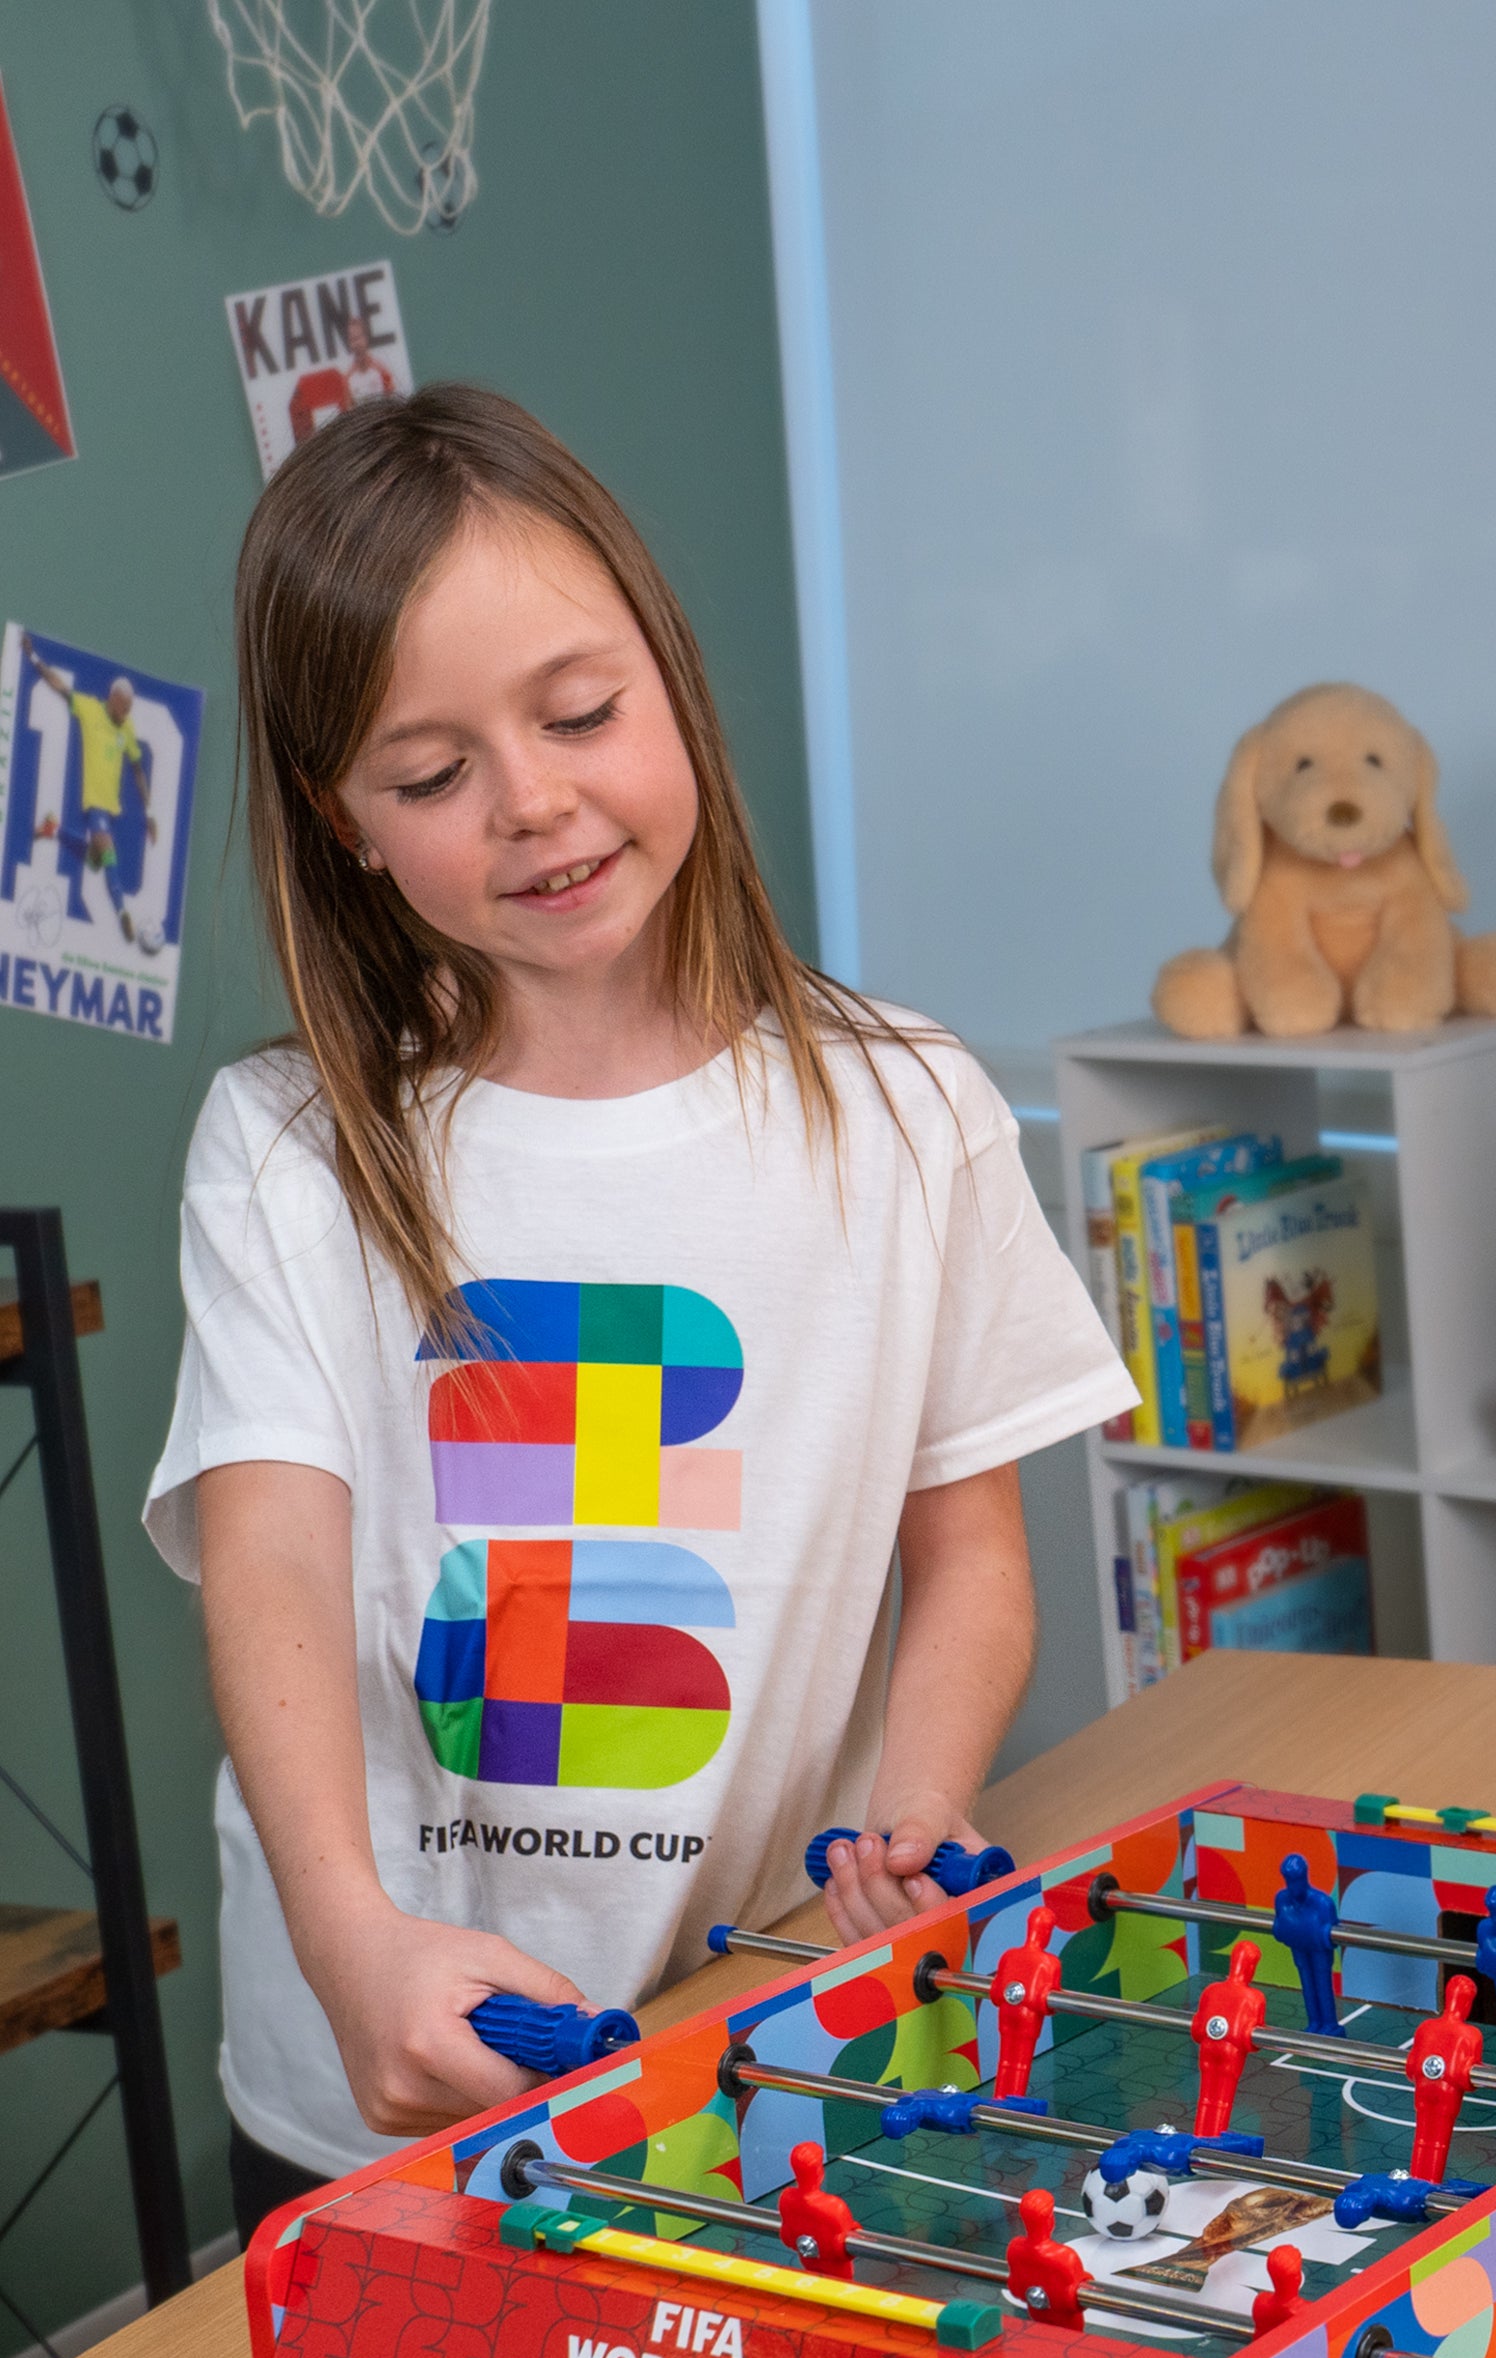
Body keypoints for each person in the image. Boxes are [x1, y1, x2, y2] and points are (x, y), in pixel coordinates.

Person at [144, 385, 1133, 2248]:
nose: (534, 802)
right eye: (427, 779)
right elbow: (271, 1557)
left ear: (671, 681)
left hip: (764, 2045)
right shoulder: (281, 1148)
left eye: (581, 713)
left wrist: (917, 1810)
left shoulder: (911, 1109)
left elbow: (973, 1558)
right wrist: (351, 1941)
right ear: (340, 823)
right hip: (383, 2074)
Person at [34, 655, 156, 944]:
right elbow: (60, 687)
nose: (125, 714)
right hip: (94, 803)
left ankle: (54, 829)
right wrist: (37, 660)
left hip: (111, 808)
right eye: (123, 707)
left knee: (94, 859)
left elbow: (138, 771)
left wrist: (149, 813)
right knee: (109, 853)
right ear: (113, 698)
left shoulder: (127, 729)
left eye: (129, 710)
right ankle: (121, 912)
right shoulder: (90, 709)